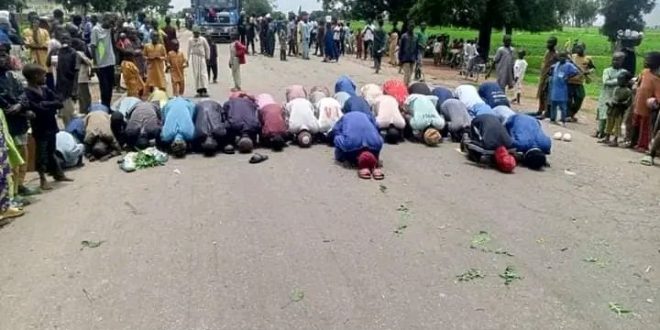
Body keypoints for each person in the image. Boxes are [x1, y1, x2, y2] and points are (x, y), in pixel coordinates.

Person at [21, 64, 73, 189]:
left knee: (52, 151)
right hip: (40, 128)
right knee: (41, 154)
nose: (45, 77)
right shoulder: (27, 93)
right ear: (35, 76)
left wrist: (44, 104)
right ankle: (42, 179)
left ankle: (58, 174)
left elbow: (59, 103)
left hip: (51, 125)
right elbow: (37, 108)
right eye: (43, 75)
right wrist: (48, 105)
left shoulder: (45, 89)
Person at [0, 45, 35, 202]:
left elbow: (23, 93)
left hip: (19, 120)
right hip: (6, 124)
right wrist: (12, 107)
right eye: (0, 55)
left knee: (23, 153)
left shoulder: (11, 76)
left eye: (5, 54)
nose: (4, 58)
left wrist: (20, 105)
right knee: (10, 158)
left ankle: (20, 184)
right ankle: (12, 192)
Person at [332, 111, 384, 180]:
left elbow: (336, 133)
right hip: (370, 146)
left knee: (339, 140)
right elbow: (377, 127)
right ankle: (372, 165)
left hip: (352, 146)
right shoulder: (377, 144)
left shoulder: (349, 145)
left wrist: (342, 135)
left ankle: (346, 159)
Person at [632, 52, 660, 153]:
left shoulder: (656, 79)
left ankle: (643, 145)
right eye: (646, 59)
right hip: (637, 104)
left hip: (647, 109)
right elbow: (637, 82)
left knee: (645, 128)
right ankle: (633, 141)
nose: (646, 62)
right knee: (635, 124)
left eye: (649, 60)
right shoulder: (644, 72)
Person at [595, 52, 626, 139]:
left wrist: (616, 80)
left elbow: (627, 82)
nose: (615, 62)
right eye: (614, 59)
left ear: (622, 61)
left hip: (616, 96)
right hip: (606, 95)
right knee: (603, 114)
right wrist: (619, 80)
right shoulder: (607, 70)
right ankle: (600, 131)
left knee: (613, 116)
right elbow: (606, 82)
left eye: (618, 60)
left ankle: (607, 133)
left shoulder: (624, 72)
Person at [600, 70, 633, 147]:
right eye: (619, 80)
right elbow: (613, 97)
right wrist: (610, 102)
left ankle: (615, 140)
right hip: (612, 109)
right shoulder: (616, 89)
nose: (619, 81)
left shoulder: (628, 91)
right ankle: (607, 137)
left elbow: (628, 102)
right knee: (609, 123)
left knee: (617, 125)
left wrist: (620, 103)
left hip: (620, 111)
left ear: (626, 81)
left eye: (621, 80)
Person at [91, 14, 116, 107]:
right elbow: (93, 46)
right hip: (101, 64)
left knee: (110, 87)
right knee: (104, 87)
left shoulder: (110, 30)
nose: (111, 24)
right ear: (104, 20)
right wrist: (94, 63)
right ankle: (104, 106)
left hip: (110, 62)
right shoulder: (96, 30)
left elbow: (113, 43)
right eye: (110, 22)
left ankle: (108, 106)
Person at [548, 52, 580, 126]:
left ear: (566, 58)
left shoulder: (568, 65)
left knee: (562, 106)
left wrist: (568, 77)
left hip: (562, 88)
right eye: (560, 57)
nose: (561, 58)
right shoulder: (557, 64)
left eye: (563, 57)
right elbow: (551, 68)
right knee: (553, 104)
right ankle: (553, 119)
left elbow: (576, 71)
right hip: (554, 88)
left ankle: (563, 120)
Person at [54, 34, 77, 127]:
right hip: (60, 84)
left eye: (67, 39)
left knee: (70, 111)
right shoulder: (57, 52)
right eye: (63, 40)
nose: (65, 42)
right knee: (64, 110)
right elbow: (48, 63)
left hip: (69, 84)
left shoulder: (73, 53)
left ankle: (70, 128)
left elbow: (76, 71)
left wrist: (75, 88)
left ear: (70, 42)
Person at [567, 43, 595, 121]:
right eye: (577, 48)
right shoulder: (572, 57)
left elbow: (593, 68)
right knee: (568, 99)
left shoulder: (588, 59)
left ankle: (572, 114)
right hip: (569, 81)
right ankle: (568, 115)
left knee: (580, 97)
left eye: (580, 48)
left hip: (579, 82)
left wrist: (588, 72)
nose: (578, 50)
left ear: (584, 48)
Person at [536, 36, 558, 117]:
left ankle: (546, 112)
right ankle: (540, 109)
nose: (548, 44)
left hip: (549, 78)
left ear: (555, 44)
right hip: (543, 76)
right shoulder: (547, 52)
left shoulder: (556, 54)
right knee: (541, 93)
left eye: (550, 43)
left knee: (546, 94)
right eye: (548, 42)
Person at [188, 28, 210, 97]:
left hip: (202, 57)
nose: (196, 34)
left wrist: (207, 57)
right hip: (194, 57)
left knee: (203, 74)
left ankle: (204, 89)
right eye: (195, 33)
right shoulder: (190, 40)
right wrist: (187, 59)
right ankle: (199, 90)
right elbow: (188, 50)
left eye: (197, 33)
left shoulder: (203, 39)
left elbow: (207, 48)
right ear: (193, 33)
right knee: (196, 74)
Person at [398, 22, 418, 86]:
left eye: (412, 27)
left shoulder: (415, 37)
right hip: (405, 58)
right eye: (410, 26)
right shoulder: (404, 36)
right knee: (407, 73)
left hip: (412, 58)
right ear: (408, 27)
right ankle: (405, 86)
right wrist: (400, 58)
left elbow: (416, 48)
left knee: (411, 74)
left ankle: (407, 86)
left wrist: (416, 58)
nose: (411, 28)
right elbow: (401, 48)